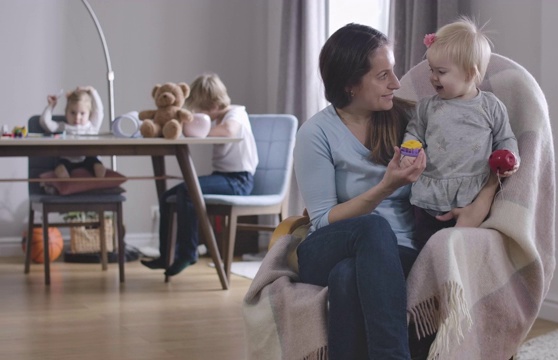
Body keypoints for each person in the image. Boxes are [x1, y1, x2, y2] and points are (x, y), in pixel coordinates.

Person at [293, 23, 499, 359]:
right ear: (350, 85)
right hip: (326, 245)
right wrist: (386, 187)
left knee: (347, 277)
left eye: (394, 70)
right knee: (374, 227)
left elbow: (464, 165)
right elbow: (322, 220)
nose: (396, 83)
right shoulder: (316, 133)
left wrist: (475, 197)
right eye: (382, 75)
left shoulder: (408, 120)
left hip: (398, 252)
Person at [401, 16, 520, 242]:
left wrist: (510, 157)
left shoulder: (490, 106)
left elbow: (505, 138)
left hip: (473, 196)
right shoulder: (428, 106)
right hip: (429, 200)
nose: (432, 77)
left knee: (464, 252)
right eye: (431, 69)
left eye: (441, 72)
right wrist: (410, 151)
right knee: (426, 251)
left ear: (470, 74)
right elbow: (414, 134)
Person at [141, 73, 258, 277]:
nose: (198, 112)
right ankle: (166, 255)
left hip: (238, 180)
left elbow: (230, 131)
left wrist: (198, 129)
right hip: (223, 176)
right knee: (167, 196)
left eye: (201, 107)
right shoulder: (216, 119)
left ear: (212, 103)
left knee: (187, 192)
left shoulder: (236, 114)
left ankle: (188, 252)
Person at [40, 86, 106, 178]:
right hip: (67, 160)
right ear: (66, 112)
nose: (77, 117)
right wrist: (51, 106)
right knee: (60, 169)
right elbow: (45, 122)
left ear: (89, 114)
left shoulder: (92, 126)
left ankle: (100, 184)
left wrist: (92, 91)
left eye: (82, 113)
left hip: (88, 158)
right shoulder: (62, 127)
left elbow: (99, 110)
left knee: (99, 167)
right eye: (73, 113)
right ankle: (67, 186)